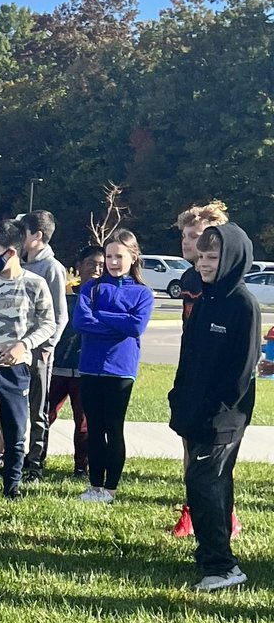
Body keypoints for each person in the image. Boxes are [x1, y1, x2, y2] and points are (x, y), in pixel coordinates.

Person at [168, 223, 259, 591]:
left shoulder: (242, 305)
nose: (204, 264)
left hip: (221, 417)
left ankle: (222, 567)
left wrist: (216, 409)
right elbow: (190, 357)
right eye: (202, 256)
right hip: (193, 412)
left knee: (205, 483)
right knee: (208, 485)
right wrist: (180, 396)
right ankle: (211, 554)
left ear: (233, 259)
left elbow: (241, 371)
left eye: (213, 257)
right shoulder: (205, 300)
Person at [0, 220, 56, 499]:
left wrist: (23, 345)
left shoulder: (35, 284)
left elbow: (48, 324)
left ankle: (11, 484)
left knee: (15, 430)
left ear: (11, 252)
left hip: (15, 370)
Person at [71, 230, 154, 503]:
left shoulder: (142, 293)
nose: (113, 262)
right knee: (94, 427)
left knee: (113, 427)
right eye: (109, 256)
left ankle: (111, 488)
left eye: (119, 256)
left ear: (133, 257)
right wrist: (117, 321)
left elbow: (135, 326)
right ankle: (95, 486)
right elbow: (81, 322)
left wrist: (101, 315)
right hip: (91, 366)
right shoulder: (91, 288)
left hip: (121, 369)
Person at [169, 199, 234, 538]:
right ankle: (191, 512)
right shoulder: (188, 276)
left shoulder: (221, 282)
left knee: (212, 454)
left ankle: (224, 516)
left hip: (216, 380)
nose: (187, 242)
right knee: (186, 443)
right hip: (190, 369)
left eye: (194, 235)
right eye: (184, 235)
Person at [48, 244, 104, 482]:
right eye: (91, 263)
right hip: (57, 366)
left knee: (84, 422)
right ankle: (34, 462)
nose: (96, 269)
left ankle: (81, 469)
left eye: (101, 265)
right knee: (44, 415)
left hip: (87, 370)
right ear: (79, 267)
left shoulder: (106, 297)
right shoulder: (64, 295)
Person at [20, 210, 68, 481]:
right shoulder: (20, 263)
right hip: (16, 346)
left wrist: (48, 344)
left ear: (37, 236)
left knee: (38, 408)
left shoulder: (52, 268)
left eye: (23, 232)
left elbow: (60, 313)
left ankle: (35, 462)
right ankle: (14, 456)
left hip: (39, 349)